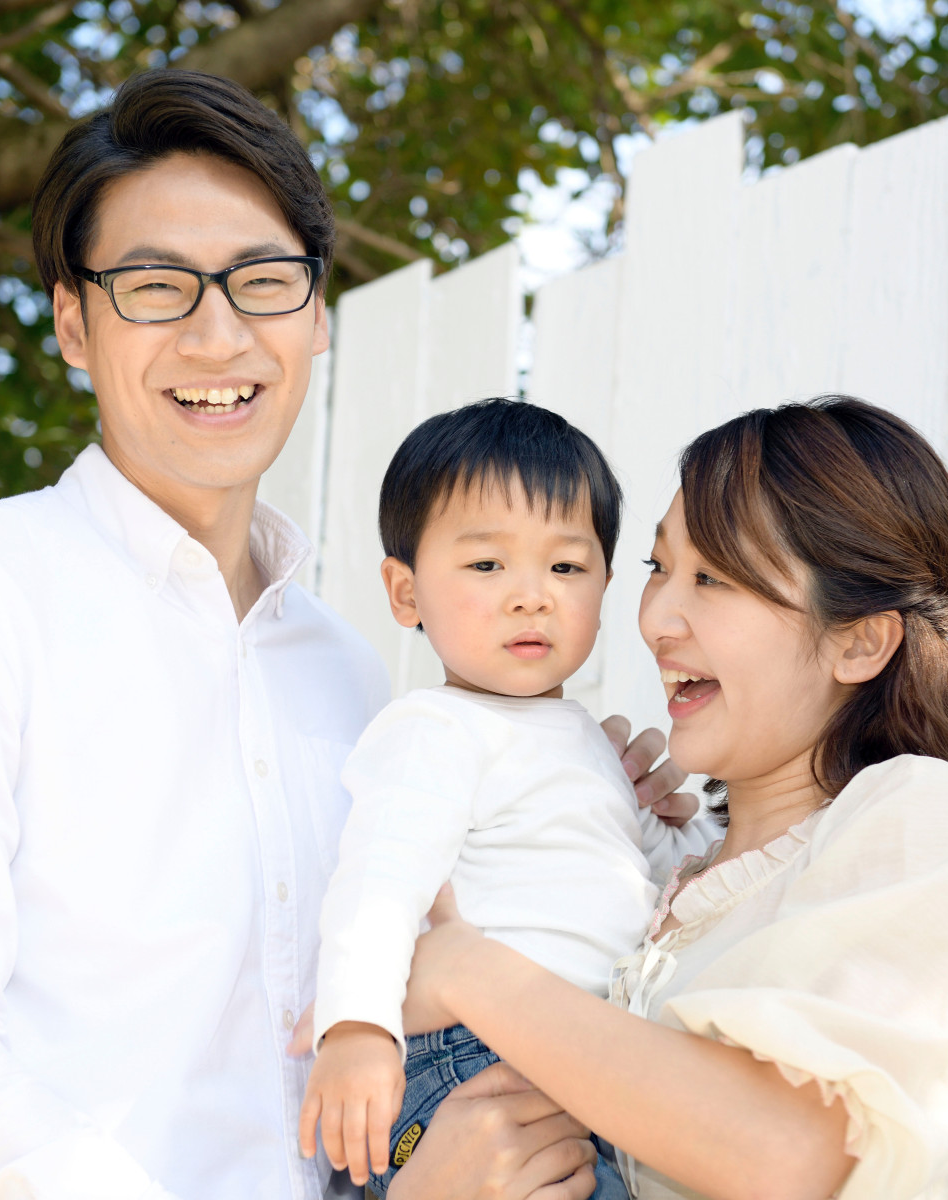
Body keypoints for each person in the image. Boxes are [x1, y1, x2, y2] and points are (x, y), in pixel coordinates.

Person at [0, 70, 686, 1200]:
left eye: (263, 282)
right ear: (74, 323)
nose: (218, 335)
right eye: (155, 287)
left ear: (317, 316)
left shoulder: (351, 674)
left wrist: (581, 799)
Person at [379, 398, 948, 1200]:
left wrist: (470, 972)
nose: (656, 619)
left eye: (714, 578)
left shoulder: (921, 813)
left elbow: (791, 1153)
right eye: (658, 568)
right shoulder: (662, 884)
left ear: (859, 640)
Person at [297, 400, 715, 1197]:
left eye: (566, 568)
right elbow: (378, 885)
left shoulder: (589, 742)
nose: (532, 596)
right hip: (471, 1057)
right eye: (487, 566)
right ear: (405, 592)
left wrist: (679, 838)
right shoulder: (434, 729)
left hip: (584, 1052)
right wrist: (356, 1028)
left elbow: (666, 883)